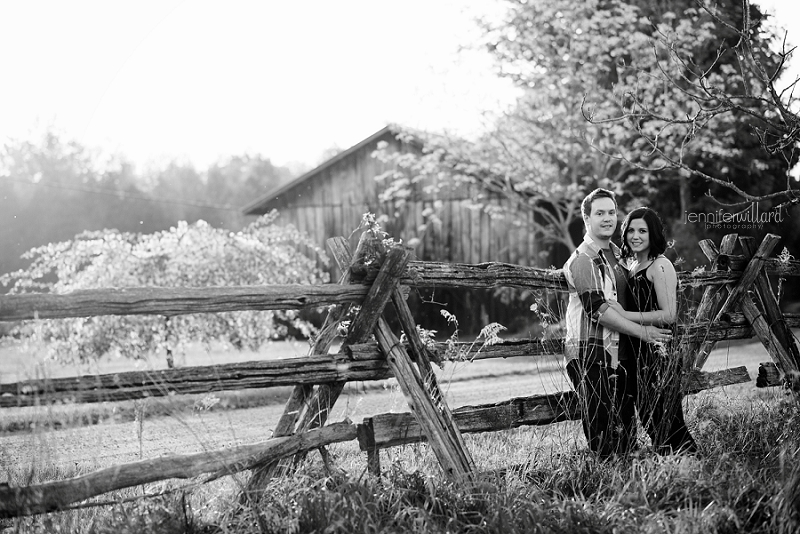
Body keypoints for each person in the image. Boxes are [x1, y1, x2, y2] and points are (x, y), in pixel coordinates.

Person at [563, 188, 673, 458]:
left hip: (621, 356)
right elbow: (598, 311)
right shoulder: (583, 260)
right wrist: (643, 332)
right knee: (604, 434)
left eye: (611, 212)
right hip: (591, 355)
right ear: (587, 219)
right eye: (599, 213)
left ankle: (629, 490)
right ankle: (603, 492)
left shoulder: (621, 257)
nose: (607, 218)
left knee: (626, 433)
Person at [610, 207, 698, 455]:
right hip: (638, 350)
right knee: (650, 418)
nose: (635, 236)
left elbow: (669, 314)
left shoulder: (660, 265)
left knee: (666, 417)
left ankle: (691, 463)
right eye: (631, 230)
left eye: (643, 231)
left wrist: (625, 315)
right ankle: (673, 467)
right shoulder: (634, 264)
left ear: (653, 234)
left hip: (659, 351)